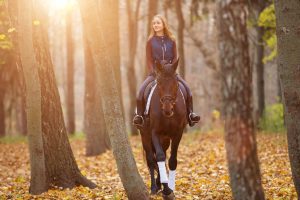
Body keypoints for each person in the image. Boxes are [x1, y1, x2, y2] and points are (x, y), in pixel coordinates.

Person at [133, 14, 200, 128]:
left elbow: (175, 56)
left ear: (164, 24)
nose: (156, 25)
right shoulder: (150, 41)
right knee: (140, 93)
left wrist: (172, 69)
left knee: (188, 90)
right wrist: (153, 71)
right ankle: (140, 116)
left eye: (158, 23)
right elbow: (149, 59)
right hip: (156, 72)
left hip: (170, 72)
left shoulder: (172, 40)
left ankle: (190, 114)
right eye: (154, 23)